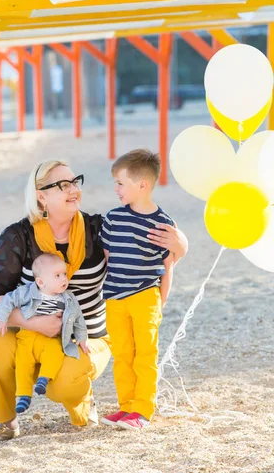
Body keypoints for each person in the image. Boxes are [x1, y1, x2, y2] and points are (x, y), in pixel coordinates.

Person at [0, 159, 188, 441]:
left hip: (88, 337)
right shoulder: (18, 237)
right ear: (42, 196)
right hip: (31, 336)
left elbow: (151, 235)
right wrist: (34, 323)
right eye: (63, 185)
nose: (73, 189)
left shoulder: (99, 228)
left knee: (66, 385)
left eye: (75, 182)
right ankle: (5, 421)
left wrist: (180, 244)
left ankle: (83, 402)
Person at [99, 149, 177, 431]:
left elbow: (168, 266)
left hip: (146, 298)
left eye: (120, 183)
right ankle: (126, 406)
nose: (116, 189)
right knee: (122, 355)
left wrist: (160, 302)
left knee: (145, 355)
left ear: (141, 185)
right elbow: (108, 257)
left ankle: (143, 409)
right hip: (115, 299)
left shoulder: (163, 224)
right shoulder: (113, 218)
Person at [0, 253, 89, 414]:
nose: (64, 279)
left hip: (51, 338)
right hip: (27, 337)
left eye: (64, 274)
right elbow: (8, 300)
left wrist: (82, 337)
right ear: (40, 282)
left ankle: (44, 379)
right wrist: (1, 319)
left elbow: (78, 319)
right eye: (57, 275)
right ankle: (23, 395)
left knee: (55, 353)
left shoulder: (68, 298)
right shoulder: (26, 292)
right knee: (23, 363)